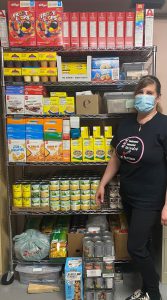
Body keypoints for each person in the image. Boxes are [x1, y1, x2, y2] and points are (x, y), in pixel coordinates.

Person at [96, 75, 167, 300]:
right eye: (140, 92)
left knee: (135, 247)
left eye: (149, 93)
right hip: (129, 195)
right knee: (143, 244)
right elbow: (116, 157)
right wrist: (103, 183)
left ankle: (154, 295)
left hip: (151, 198)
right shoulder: (126, 124)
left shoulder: (164, 125)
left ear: (158, 98)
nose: (144, 97)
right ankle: (145, 290)